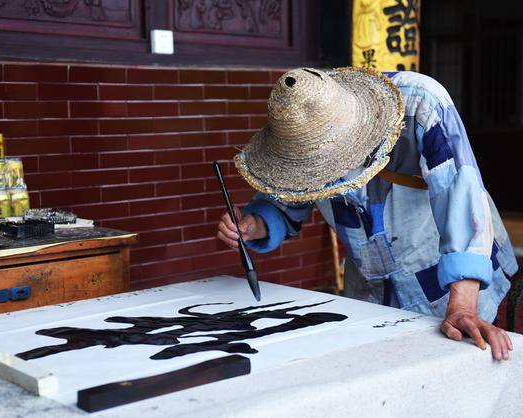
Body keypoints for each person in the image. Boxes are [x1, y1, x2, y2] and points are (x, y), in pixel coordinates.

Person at [217, 67, 517, 361]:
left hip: (447, 283)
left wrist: (464, 304)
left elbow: (460, 194)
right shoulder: (299, 128)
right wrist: (255, 224)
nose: (322, 176)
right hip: (370, 287)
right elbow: (284, 199)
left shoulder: (420, 104)